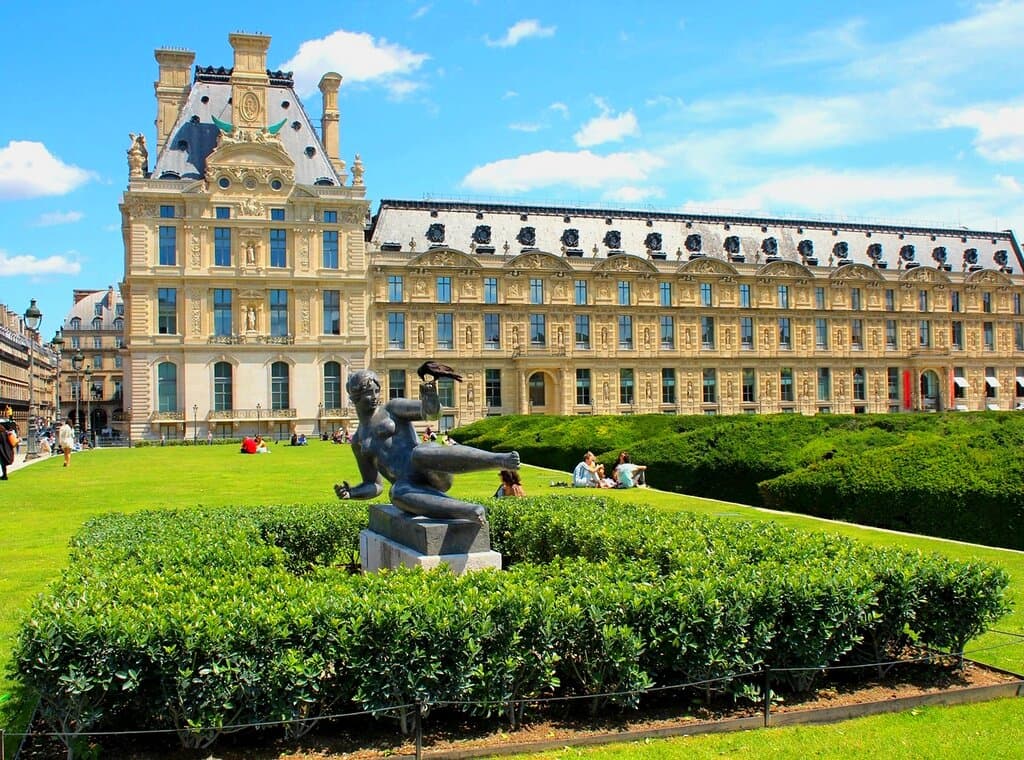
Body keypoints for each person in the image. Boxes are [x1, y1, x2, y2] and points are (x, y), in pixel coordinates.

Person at [334, 368, 519, 523]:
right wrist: (353, 492)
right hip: (410, 485)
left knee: (419, 452)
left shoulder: (392, 408)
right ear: (355, 397)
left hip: (431, 468)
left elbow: (429, 413)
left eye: (376, 391)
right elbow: (374, 484)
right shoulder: (358, 441)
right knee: (395, 493)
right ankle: (470, 511)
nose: (375, 397)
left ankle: (499, 460)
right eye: (368, 393)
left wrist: (430, 400)